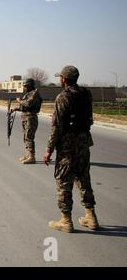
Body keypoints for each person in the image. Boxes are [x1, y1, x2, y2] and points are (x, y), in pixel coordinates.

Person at [44, 65, 99, 233]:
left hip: (67, 145)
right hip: (83, 142)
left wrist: (49, 150)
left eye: (60, 77)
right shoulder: (86, 94)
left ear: (63, 79)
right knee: (83, 178)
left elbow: (56, 127)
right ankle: (91, 217)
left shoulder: (63, 97)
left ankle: (66, 221)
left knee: (63, 181)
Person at [11, 78, 43, 164]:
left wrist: (19, 101)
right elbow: (25, 107)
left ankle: (32, 157)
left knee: (29, 137)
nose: (25, 87)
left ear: (30, 86)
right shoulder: (28, 94)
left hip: (30, 118)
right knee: (26, 137)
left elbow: (28, 104)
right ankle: (28, 155)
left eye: (26, 86)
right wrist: (16, 109)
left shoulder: (34, 93)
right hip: (26, 118)